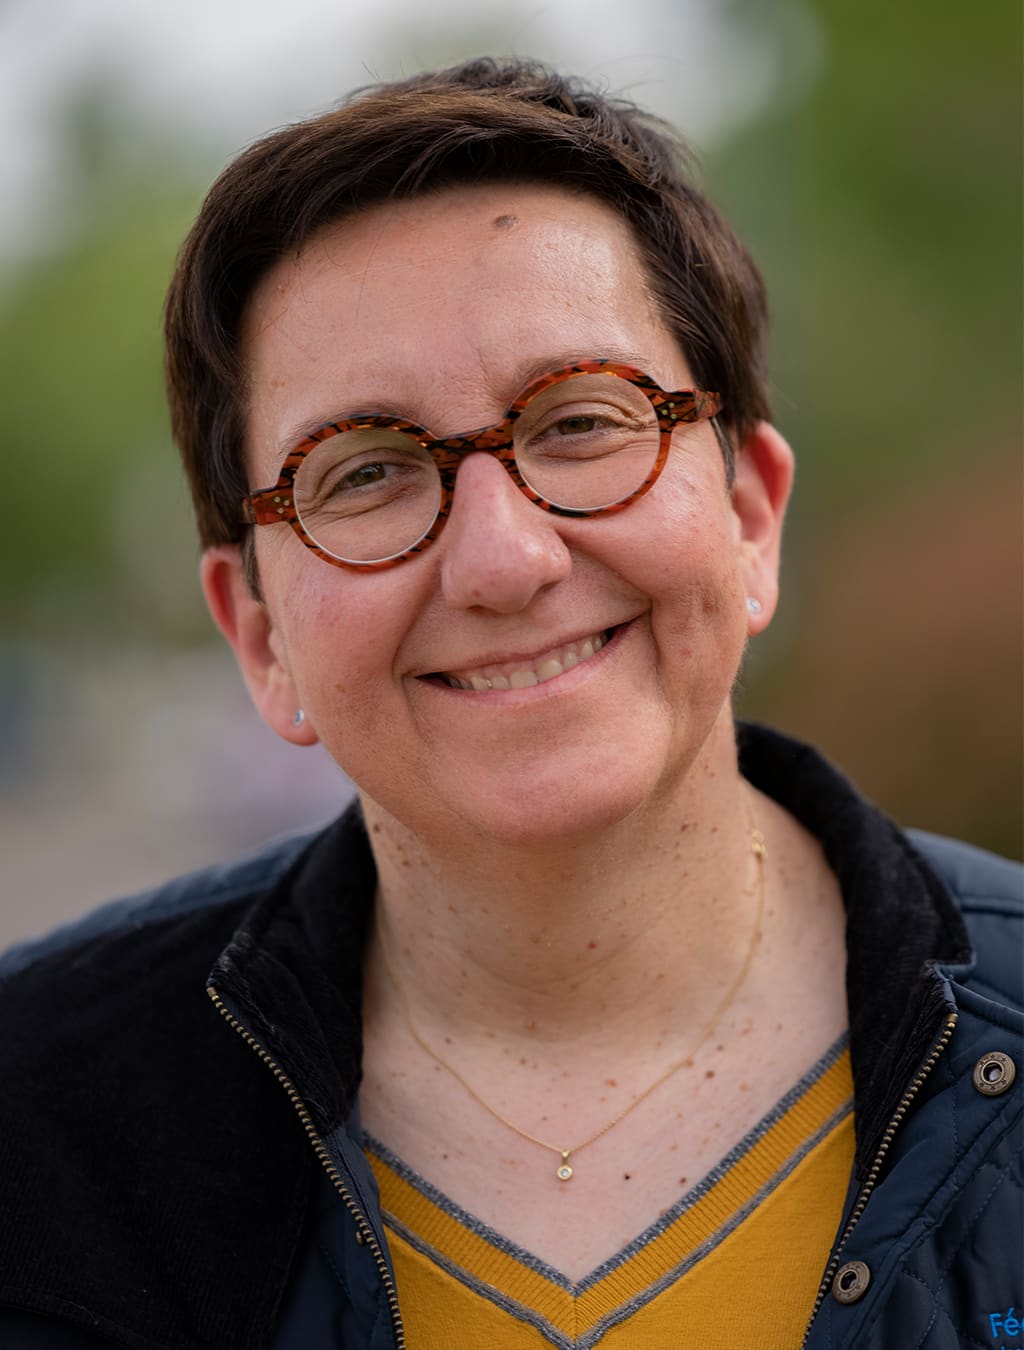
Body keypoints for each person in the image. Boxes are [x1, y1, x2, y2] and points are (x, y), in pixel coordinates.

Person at [0, 58, 1020, 1350]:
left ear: (752, 517)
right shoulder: (36, 1116)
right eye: (363, 472)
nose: (504, 558)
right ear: (260, 635)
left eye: (582, 422)